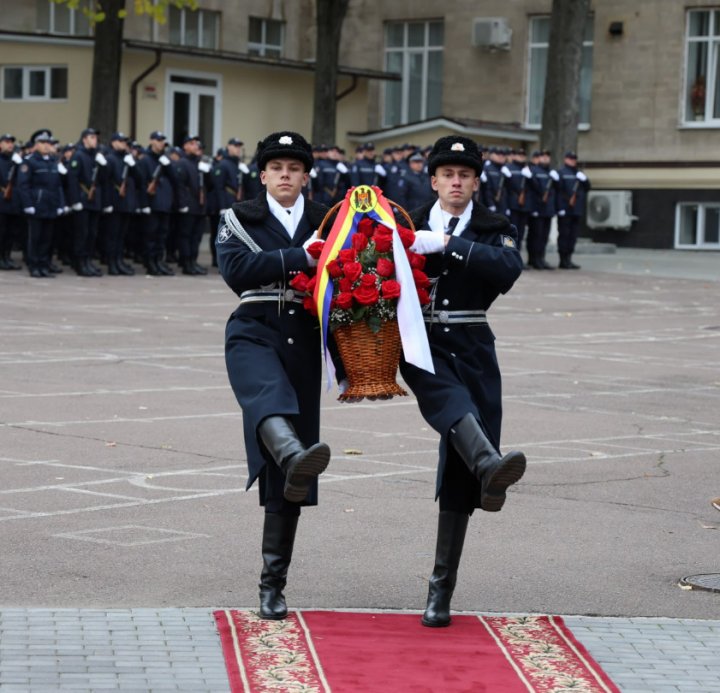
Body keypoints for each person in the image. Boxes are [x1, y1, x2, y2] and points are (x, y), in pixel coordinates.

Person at [399, 135, 527, 628]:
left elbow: (508, 269)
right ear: (433, 180)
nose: (456, 182)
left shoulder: (494, 227)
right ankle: (489, 463)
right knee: (451, 403)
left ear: (476, 182)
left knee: (459, 470)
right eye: (447, 174)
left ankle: (440, 592)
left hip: (473, 343)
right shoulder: (404, 222)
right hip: (421, 342)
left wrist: (449, 245)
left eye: (465, 175)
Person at [216, 130, 332, 620]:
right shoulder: (238, 217)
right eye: (276, 168)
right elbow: (237, 270)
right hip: (255, 328)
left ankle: (272, 584)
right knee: (265, 396)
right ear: (262, 175)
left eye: (295, 168)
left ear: (306, 176)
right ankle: (294, 453)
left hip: (305, 341)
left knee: (286, 484)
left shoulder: (329, 218)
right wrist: (299, 257)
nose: (285, 175)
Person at [16, 131, 66, 278]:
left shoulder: (52, 161)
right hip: (36, 204)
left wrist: (60, 204)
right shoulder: (29, 161)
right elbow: (23, 185)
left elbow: (58, 186)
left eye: (48, 143)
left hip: (50, 204)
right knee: (35, 238)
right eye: (43, 143)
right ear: (36, 144)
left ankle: (44, 265)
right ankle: (34, 265)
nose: (46, 146)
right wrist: (28, 204)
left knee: (47, 238)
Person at [555, 150, 590, 269]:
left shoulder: (578, 174)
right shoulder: (561, 173)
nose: (573, 161)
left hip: (576, 209)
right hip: (565, 209)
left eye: (574, 159)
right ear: (565, 159)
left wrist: (585, 180)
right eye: (570, 159)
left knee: (573, 236)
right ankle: (563, 260)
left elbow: (587, 188)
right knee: (564, 235)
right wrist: (560, 208)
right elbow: (558, 192)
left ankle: (569, 258)